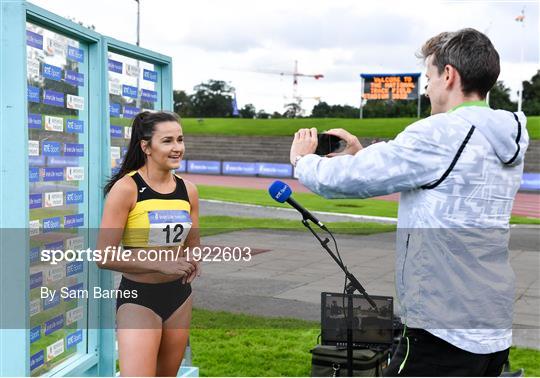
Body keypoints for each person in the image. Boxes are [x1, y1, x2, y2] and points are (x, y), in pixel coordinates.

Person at [290, 28, 528, 376]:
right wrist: (362, 154)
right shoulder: (506, 134)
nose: (427, 87)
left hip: (444, 326)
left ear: (449, 76)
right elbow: (432, 178)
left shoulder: (441, 133)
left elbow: (346, 180)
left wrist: (303, 160)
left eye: (429, 77)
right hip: (491, 320)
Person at [97, 111, 201, 376]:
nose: (177, 148)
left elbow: (193, 244)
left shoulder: (188, 190)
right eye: (167, 141)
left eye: (180, 139)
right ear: (146, 146)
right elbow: (104, 256)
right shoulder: (127, 188)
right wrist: (160, 265)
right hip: (139, 299)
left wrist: (193, 260)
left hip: (179, 298)